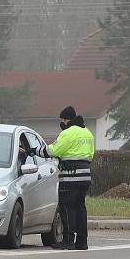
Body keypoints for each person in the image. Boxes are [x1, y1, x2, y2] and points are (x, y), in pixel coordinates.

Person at [27, 106, 95, 250]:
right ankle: (82, 242)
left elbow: (52, 150)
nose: (61, 123)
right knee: (80, 208)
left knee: (67, 208)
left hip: (70, 177)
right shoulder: (87, 132)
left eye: (62, 120)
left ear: (66, 119)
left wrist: (34, 150)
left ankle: (68, 240)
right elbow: (90, 155)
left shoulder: (68, 133)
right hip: (85, 177)